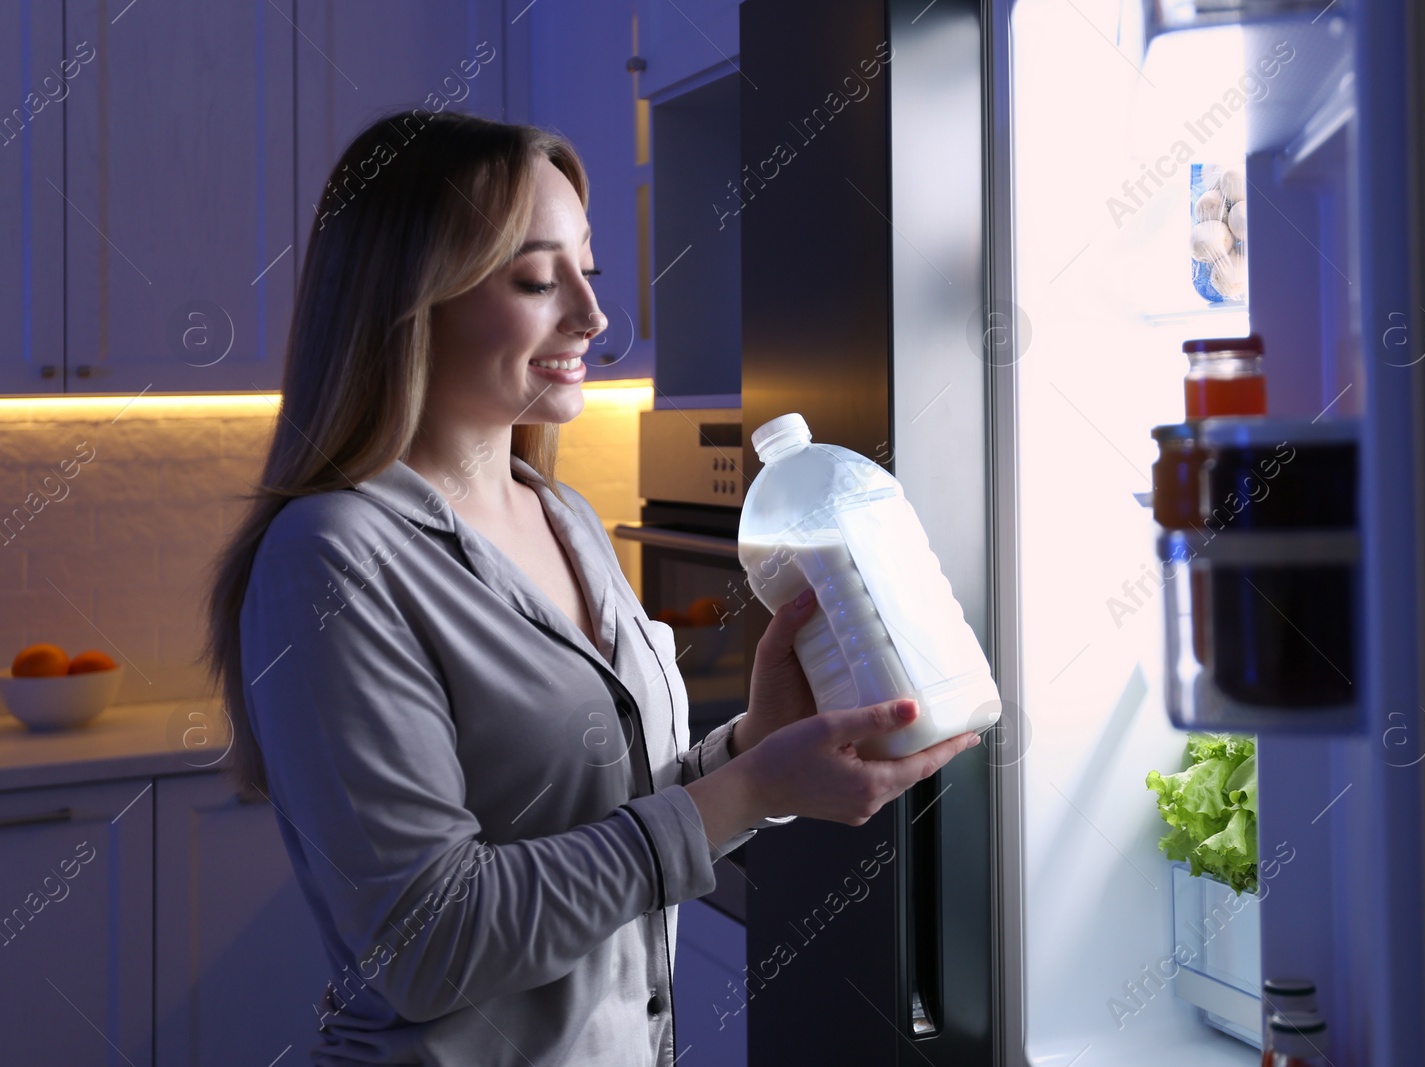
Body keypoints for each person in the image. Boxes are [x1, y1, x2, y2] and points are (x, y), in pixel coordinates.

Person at [202, 109, 981, 1067]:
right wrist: (741, 795)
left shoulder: (561, 514)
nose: (593, 315)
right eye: (537, 278)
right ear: (408, 299)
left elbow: (610, 820)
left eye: (590, 270)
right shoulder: (332, 557)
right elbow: (424, 939)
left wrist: (754, 750)